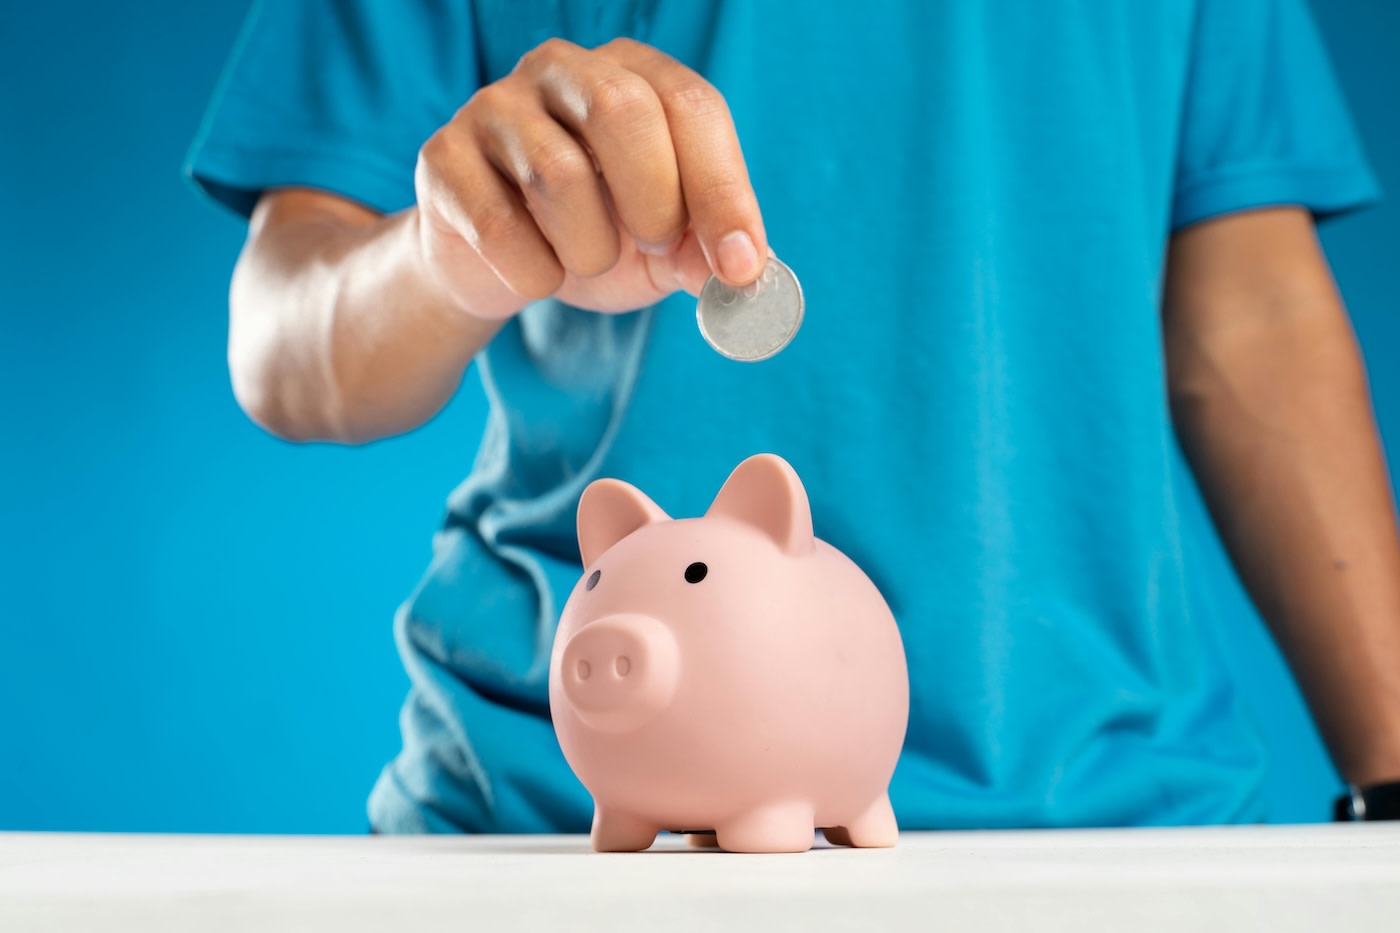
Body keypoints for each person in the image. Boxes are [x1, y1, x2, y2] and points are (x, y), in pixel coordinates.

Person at [186, 0, 1400, 833]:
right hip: (561, 813)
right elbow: (283, 342)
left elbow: (1249, 319)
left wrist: (1390, 778)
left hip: (1118, 811)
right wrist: (450, 260)